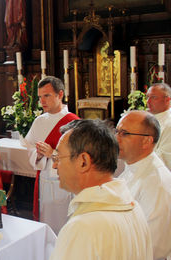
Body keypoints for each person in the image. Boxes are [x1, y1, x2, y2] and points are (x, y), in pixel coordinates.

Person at [50, 119, 153, 259]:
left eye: (58, 157)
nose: (54, 166)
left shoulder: (81, 228)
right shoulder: (134, 207)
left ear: (83, 162)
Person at [24, 76, 79, 233]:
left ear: (60, 94)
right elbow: (29, 148)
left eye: (47, 95)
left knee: (64, 224)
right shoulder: (39, 121)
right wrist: (39, 155)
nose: (42, 101)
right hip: (44, 181)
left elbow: (79, 158)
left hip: (65, 182)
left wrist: (53, 153)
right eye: (40, 97)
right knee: (46, 221)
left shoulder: (73, 122)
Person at [116, 110, 171, 260]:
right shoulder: (132, 167)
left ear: (147, 141)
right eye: (117, 132)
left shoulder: (157, 183)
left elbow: (155, 247)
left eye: (124, 134)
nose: (116, 138)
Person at [146, 82, 171, 170]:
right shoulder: (148, 118)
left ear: (167, 99)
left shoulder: (169, 124)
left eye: (154, 97)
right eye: (147, 97)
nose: (148, 102)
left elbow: (166, 157)